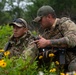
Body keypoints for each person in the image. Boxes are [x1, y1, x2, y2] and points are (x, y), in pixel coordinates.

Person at [33, 5, 76, 72]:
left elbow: (72, 40)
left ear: (49, 17)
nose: (39, 22)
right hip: (60, 66)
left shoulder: (65, 24)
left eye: (41, 20)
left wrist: (47, 43)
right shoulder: (46, 33)